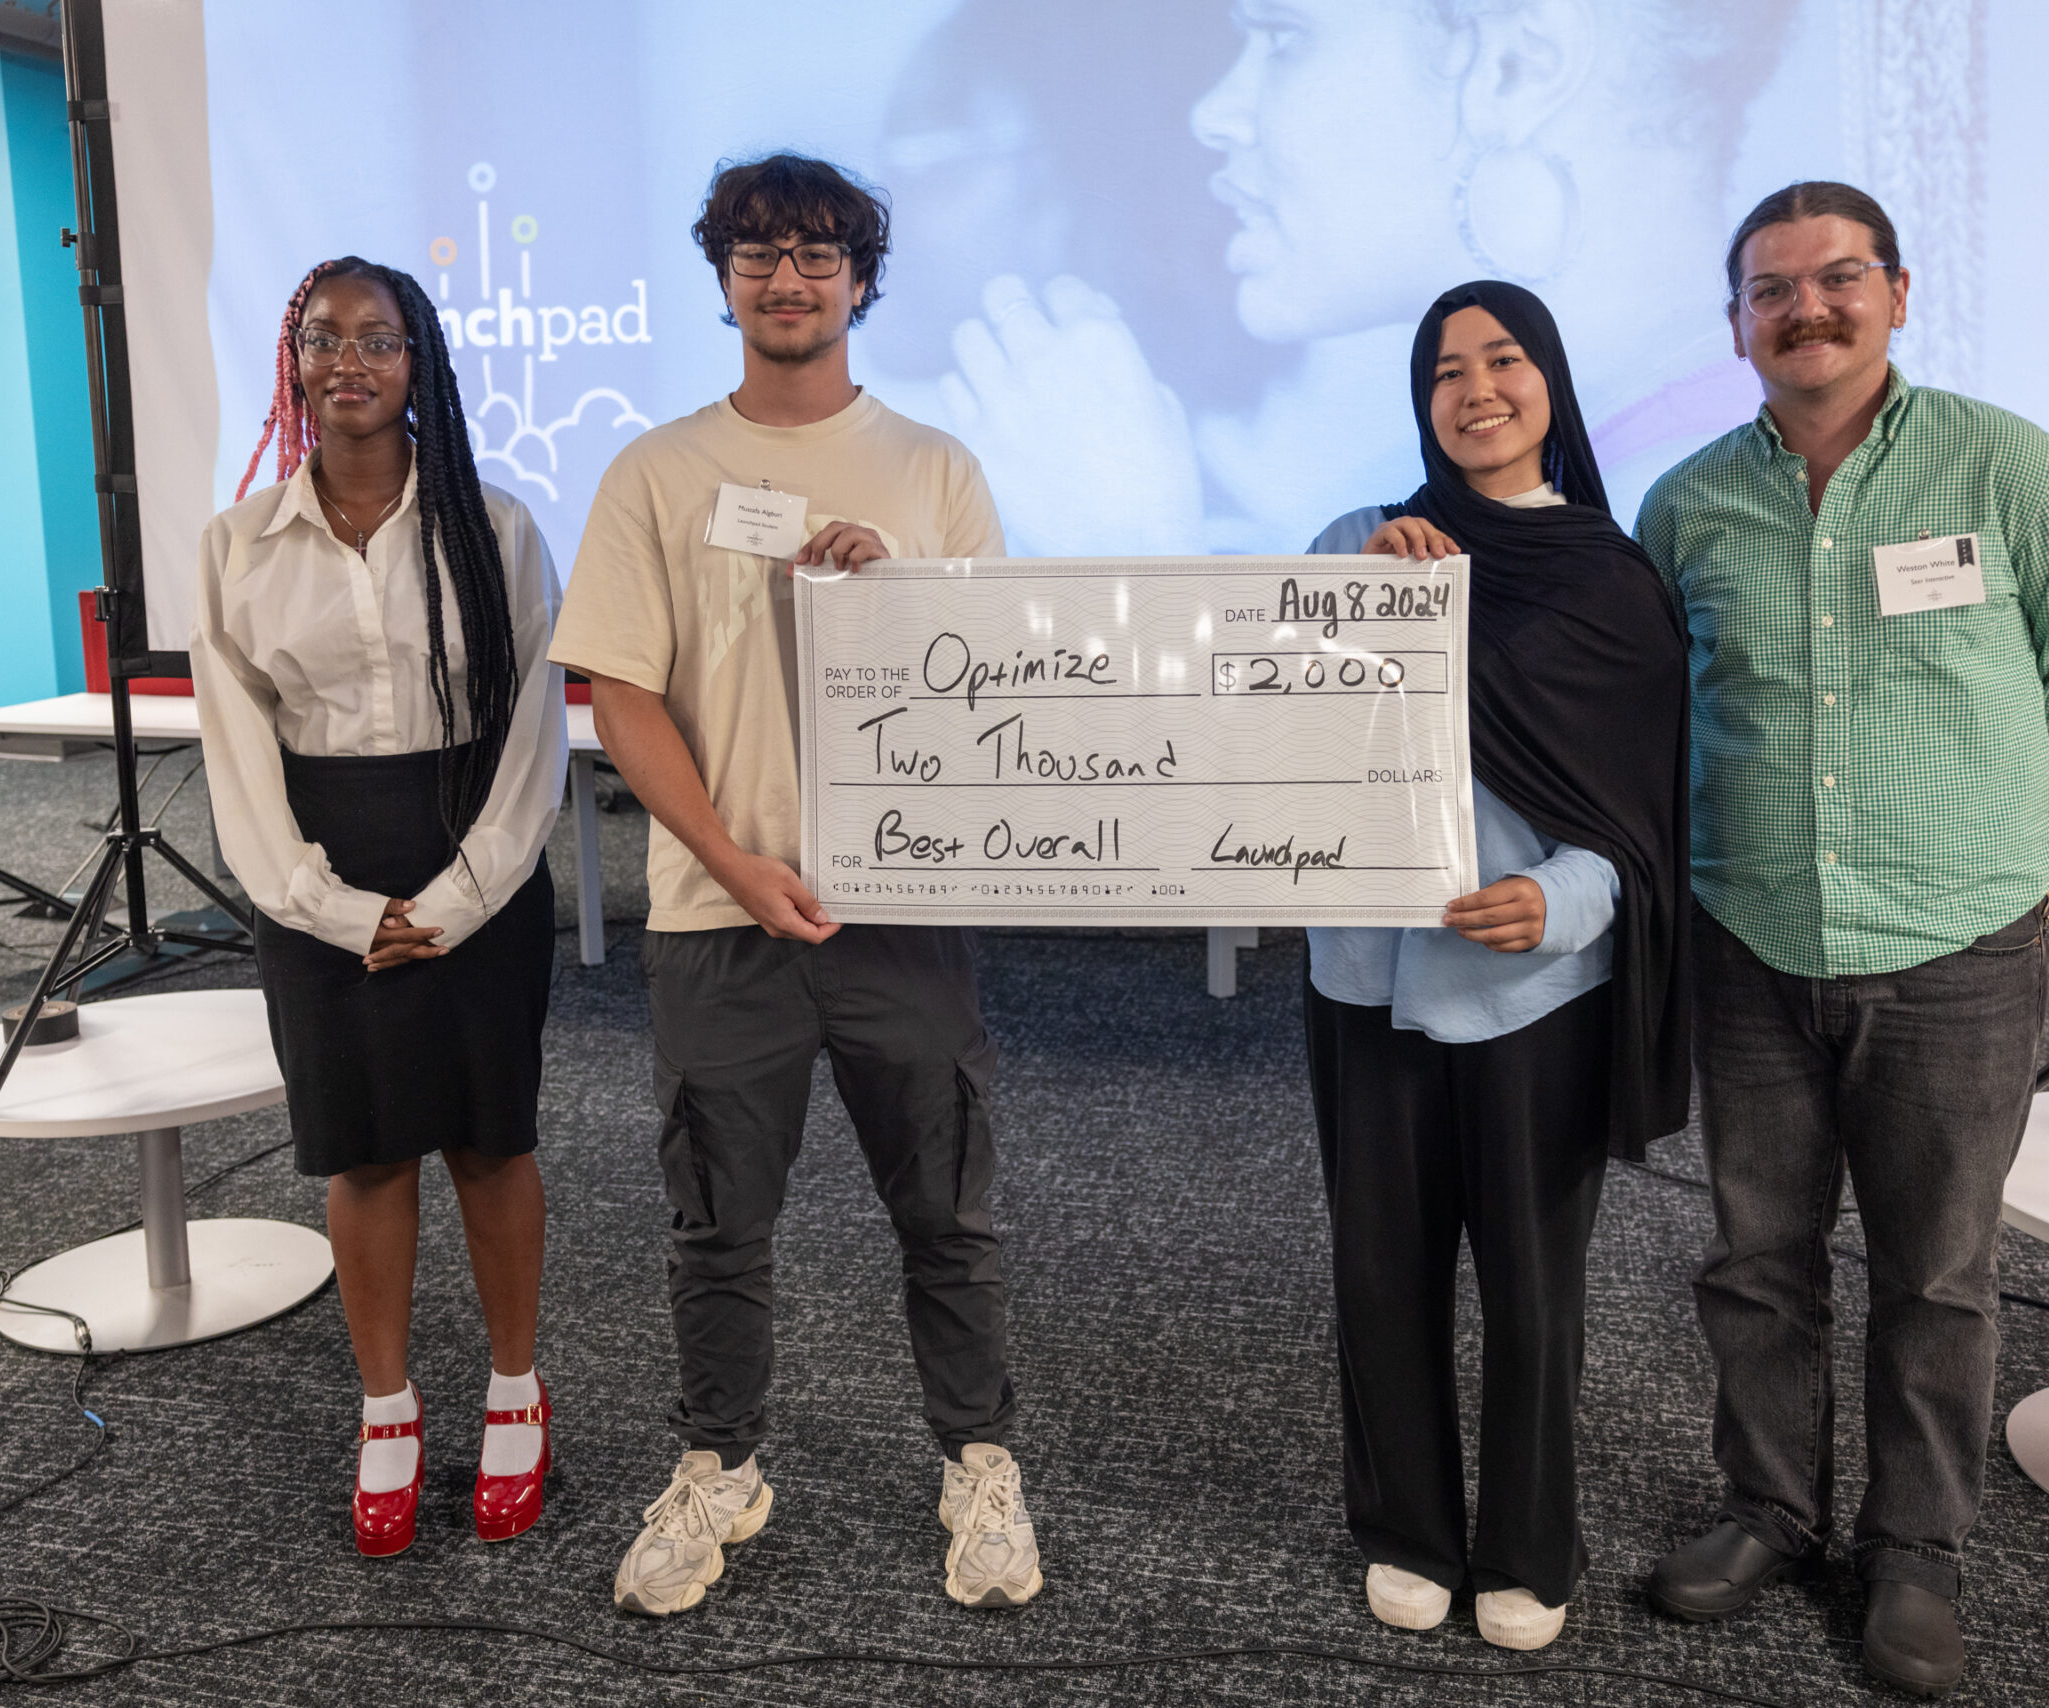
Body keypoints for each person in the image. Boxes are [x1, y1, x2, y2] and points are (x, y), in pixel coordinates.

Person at [1634, 183, 2049, 1697]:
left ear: (1898, 295)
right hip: (1752, 934)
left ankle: (1916, 1549)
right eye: (1772, 290)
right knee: (1757, 1258)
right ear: (1736, 327)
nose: (1808, 309)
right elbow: (1656, 707)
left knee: (1940, 1272)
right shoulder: (1687, 505)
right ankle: (1771, 1511)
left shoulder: (2010, 466)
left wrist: (1973, 829)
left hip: (1959, 944)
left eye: (1838, 279)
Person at [550, 153, 1042, 1616]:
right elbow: (623, 695)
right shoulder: (657, 469)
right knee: (717, 1220)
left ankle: (980, 1460)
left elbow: (995, 685)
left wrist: (893, 593)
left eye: (819, 253)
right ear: (722, 280)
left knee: (947, 1209)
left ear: (862, 281)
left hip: (907, 917)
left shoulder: (937, 470)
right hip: (721, 917)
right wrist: (732, 862)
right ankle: (721, 1465)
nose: (788, 277)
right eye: (758, 253)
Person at [1303, 279, 1691, 1648]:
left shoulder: (1610, 576)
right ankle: (1405, 1527)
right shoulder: (1360, 538)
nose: (1476, 390)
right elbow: (1280, 725)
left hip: (1534, 992)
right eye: (1444, 371)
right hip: (1365, 983)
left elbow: (1646, 810)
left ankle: (1530, 1545)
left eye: (1504, 360)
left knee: (1534, 1285)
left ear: (1551, 384)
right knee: (1381, 1269)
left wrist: (1565, 897)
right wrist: (1367, 596)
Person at [918, 0, 1804, 556]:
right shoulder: (1417, 496)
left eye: (1281, 37)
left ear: (1515, 66)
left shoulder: (1710, 517)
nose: (1215, 111)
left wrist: (1130, 549)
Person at [193, 257, 569, 1557]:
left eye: (378, 339)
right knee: (364, 1153)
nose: (347, 360)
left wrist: (464, 892)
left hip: (479, 862)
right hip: (318, 883)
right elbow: (238, 755)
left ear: (423, 364)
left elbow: (534, 732)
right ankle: (388, 1410)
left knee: (485, 1141)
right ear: (292, 360)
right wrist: (327, 905)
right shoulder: (236, 547)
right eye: (320, 337)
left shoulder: (499, 527)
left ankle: (517, 1393)